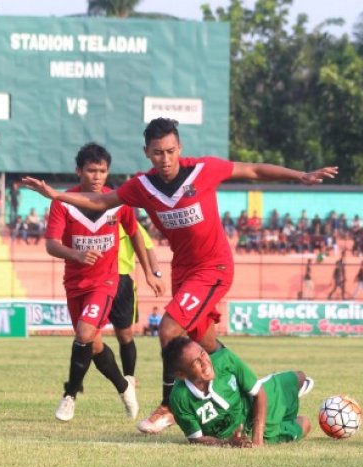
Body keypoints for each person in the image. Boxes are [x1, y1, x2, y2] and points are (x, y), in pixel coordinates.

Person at [22, 117, 337, 434]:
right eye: (158, 152)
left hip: (214, 266)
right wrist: (56, 195)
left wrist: (301, 176)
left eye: (171, 151)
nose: (165, 159)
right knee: (207, 344)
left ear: (180, 148)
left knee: (169, 329)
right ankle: (262, 389)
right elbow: (102, 200)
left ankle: (168, 406)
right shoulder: (143, 187)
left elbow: (253, 170)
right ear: (147, 152)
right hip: (184, 272)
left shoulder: (203, 170)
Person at [43, 142, 163, 422]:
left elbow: (135, 235)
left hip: (105, 282)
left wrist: (147, 272)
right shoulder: (63, 203)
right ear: (78, 171)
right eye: (91, 170)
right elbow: (50, 244)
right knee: (93, 345)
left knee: (84, 335)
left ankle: (70, 395)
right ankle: (124, 386)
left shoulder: (118, 202)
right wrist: (75, 253)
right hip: (75, 284)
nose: (97, 176)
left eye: (103, 171)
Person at [163, 336, 313, 447]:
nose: (205, 362)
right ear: (181, 375)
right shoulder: (179, 398)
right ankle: (284, 411)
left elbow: (259, 393)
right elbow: (195, 439)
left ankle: (285, 401)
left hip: (252, 407)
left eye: (203, 353)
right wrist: (227, 443)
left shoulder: (225, 359)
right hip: (238, 435)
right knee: (305, 424)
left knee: (299, 377)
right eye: (196, 362)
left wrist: (257, 438)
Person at [110, 216, 162, 382]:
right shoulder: (90, 219)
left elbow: (148, 248)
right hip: (94, 279)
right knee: (88, 335)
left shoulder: (130, 222)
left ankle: (129, 379)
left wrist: (156, 274)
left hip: (122, 281)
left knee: (124, 335)